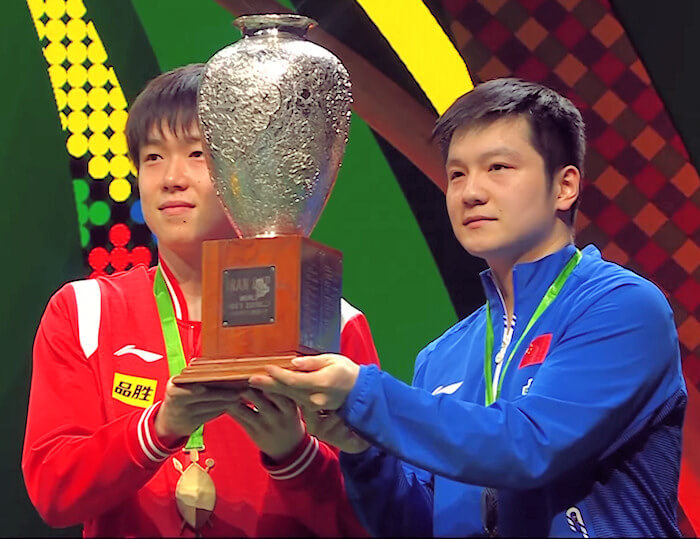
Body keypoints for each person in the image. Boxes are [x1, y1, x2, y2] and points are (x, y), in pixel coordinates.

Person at [251, 78, 687, 537]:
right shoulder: (442, 355)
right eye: (457, 174)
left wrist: (363, 392)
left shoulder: (620, 308)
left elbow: (528, 446)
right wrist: (361, 449)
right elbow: (414, 527)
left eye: (498, 167)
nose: (470, 192)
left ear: (565, 186)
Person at [22, 63, 380, 537]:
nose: (171, 178)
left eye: (198, 153)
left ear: (251, 173)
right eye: (152, 157)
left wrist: (295, 454)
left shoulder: (327, 320)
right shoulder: (85, 312)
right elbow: (53, 492)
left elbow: (376, 514)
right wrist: (158, 428)